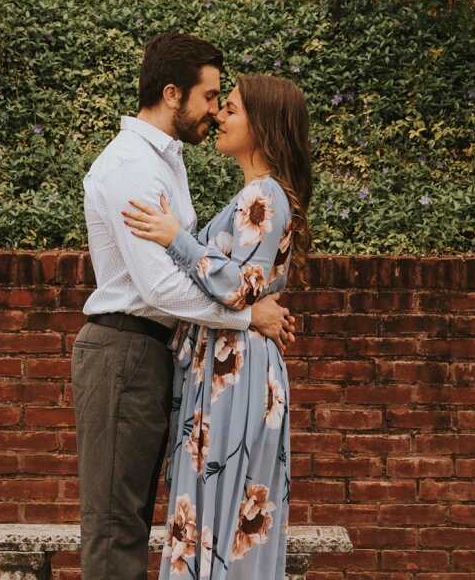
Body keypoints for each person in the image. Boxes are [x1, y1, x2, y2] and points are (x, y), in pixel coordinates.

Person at [75, 33, 295, 580]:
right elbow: (159, 287)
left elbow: (193, 267)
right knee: (114, 528)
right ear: (173, 94)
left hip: (154, 354)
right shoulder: (132, 166)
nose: (216, 111)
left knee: (138, 521)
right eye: (211, 96)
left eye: (225, 101)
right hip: (123, 348)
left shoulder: (169, 164)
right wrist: (248, 315)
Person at [122, 74, 312, 580]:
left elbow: (239, 285)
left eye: (231, 109)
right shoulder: (254, 193)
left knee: (222, 510)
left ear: (264, 124)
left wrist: (174, 238)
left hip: (239, 367)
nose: (219, 117)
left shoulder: (265, 195)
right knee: (213, 509)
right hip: (230, 361)